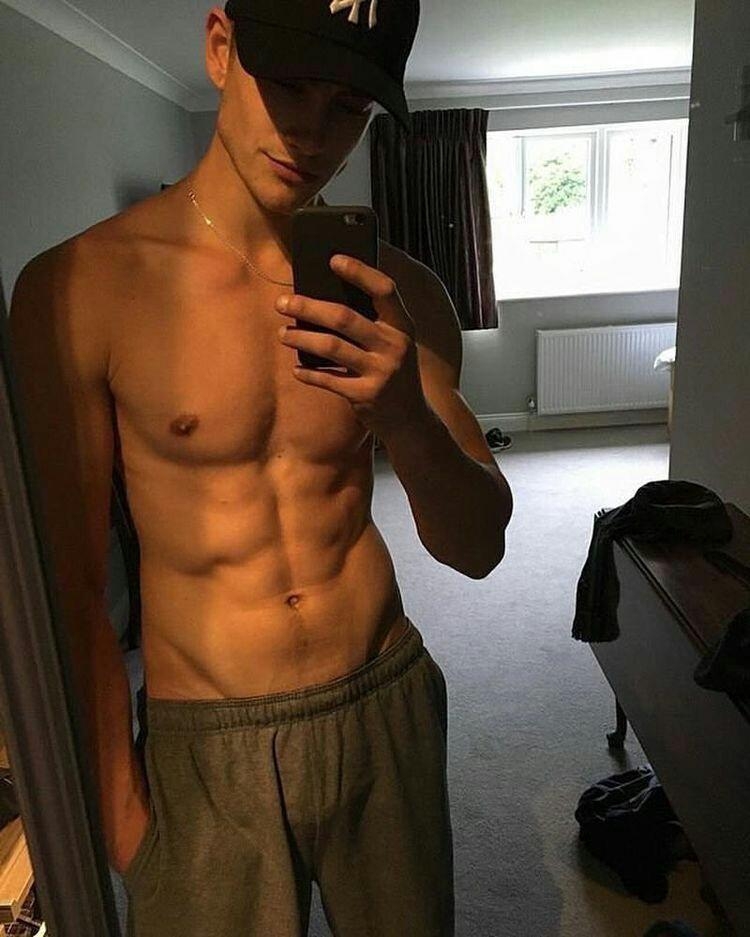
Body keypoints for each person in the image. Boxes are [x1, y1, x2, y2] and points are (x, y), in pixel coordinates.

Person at [8, 1, 512, 934]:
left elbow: (478, 549)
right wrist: (122, 818)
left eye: (348, 107)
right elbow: (70, 591)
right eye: (287, 86)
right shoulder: (78, 289)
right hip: (208, 741)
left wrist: (404, 411)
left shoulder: (402, 295)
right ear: (219, 48)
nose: (314, 135)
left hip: (383, 697)